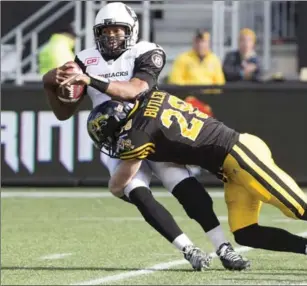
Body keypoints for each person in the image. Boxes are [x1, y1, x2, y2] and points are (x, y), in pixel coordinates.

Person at [84, 91, 307, 272]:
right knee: (245, 233)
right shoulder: (151, 98)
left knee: (301, 208)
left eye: (109, 137)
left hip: (239, 154)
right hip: (229, 166)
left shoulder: (135, 135)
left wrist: (117, 182)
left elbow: (119, 183)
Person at [41, 2, 249, 271]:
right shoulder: (84, 59)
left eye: (118, 29)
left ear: (132, 30)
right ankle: (189, 249)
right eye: (105, 30)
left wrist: (90, 80)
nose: (112, 35)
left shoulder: (146, 51)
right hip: (115, 140)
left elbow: (135, 90)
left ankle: (224, 247)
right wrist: (50, 83)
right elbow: (63, 113)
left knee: (186, 189)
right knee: (138, 193)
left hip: (151, 132)